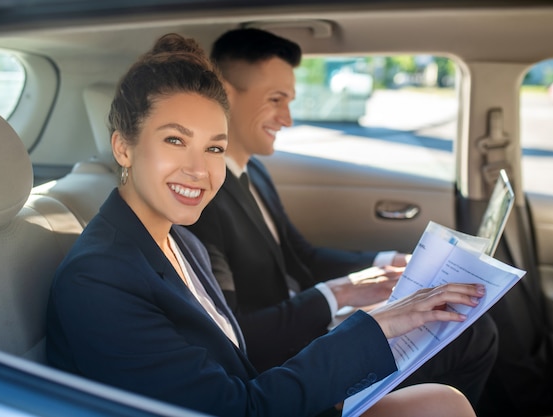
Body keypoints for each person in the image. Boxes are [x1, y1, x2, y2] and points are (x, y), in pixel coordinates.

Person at [45, 33, 480, 417]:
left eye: (215, 148)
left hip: (257, 395)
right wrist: (376, 326)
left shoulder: (182, 242)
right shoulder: (98, 278)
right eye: (175, 140)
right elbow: (234, 408)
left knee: (445, 402)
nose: (200, 170)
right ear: (123, 147)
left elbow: (238, 362)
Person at [186, 27, 498, 406]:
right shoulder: (199, 200)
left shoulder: (252, 172)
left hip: (316, 328)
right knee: (471, 333)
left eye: (290, 101)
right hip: (291, 364)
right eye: (276, 99)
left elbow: (302, 255)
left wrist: (389, 266)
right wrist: (339, 295)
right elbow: (235, 332)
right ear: (224, 93)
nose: (287, 118)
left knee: (465, 320)